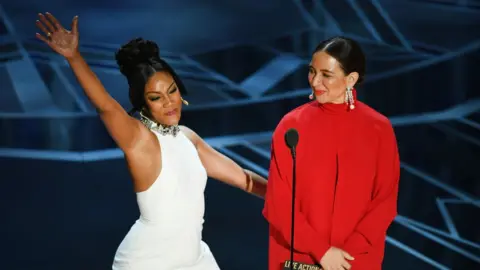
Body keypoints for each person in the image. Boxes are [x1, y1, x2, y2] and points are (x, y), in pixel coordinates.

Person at [35, 13, 267, 270]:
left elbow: (244, 179)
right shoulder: (139, 139)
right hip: (147, 263)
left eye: (172, 91)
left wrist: (291, 199)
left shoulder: (188, 138)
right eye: (156, 97)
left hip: (196, 260)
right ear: (143, 103)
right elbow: (107, 107)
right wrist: (74, 58)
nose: (169, 102)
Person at [262, 36, 400, 270]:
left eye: (326, 75)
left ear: (351, 79)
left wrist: (346, 254)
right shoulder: (291, 126)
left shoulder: (379, 129)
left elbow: (384, 201)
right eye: (312, 72)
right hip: (296, 257)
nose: (315, 81)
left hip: (355, 260)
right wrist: (322, 251)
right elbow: (278, 201)